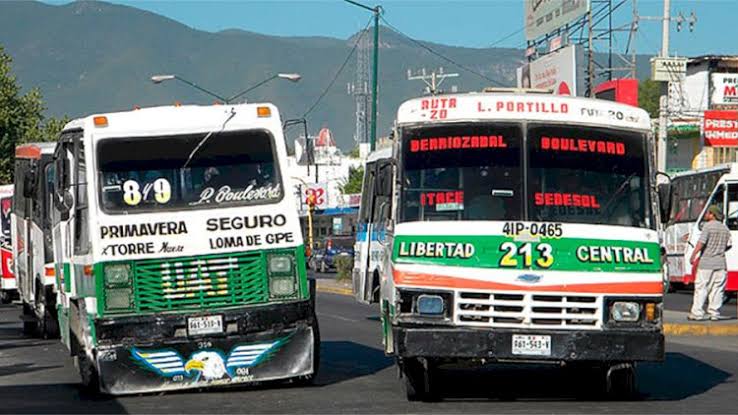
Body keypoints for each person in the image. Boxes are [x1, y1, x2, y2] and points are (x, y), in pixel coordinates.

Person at [688, 205, 732, 321]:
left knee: (701, 288)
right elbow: (729, 245)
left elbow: (701, 243)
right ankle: (714, 313)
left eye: (708, 213)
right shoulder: (725, 228)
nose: (706, 215)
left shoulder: (707, 226)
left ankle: (697, 313)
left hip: (706, 263)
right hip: (721, 264)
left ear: (713, 215)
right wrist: (719, 250)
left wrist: (693, 255)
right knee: (717, 289)